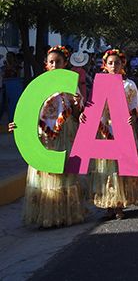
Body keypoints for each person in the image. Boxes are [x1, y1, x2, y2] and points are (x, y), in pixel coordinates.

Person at [9, 46, 86, 228]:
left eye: (58, 62)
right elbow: (28, 112)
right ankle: (47, 216)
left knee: (64, 173)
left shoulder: (71, 85)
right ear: (46, 64)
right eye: (51, 62)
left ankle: (66, 215)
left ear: (65, 64)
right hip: (44, 136)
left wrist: (76, 104)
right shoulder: (38, 86)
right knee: (46, 174)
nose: (54, 65)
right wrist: (18, 126)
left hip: (65, 133)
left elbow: (77, 114)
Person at [86, 49, 138, 220]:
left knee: (121, 169)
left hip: (123, 131)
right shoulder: (99, 84)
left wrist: (132, 118)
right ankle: (109, 205)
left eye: (117, 63)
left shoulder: (129, 85)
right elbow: (92, 108)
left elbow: (136, 108)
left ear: (122, 65)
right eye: (110, 63)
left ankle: (120, 204)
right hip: (105, 132)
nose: (114, 66)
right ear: (105, 65)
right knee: (107, 169)